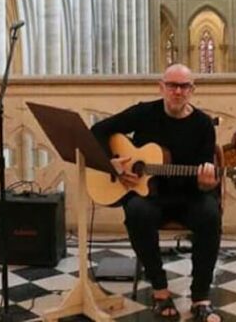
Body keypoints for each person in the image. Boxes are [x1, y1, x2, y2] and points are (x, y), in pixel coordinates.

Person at [91, 64, 222, 322]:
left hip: (188, 196)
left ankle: (200, 297)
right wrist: (111, 163)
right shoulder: (144, 112)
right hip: (150, 196)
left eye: (184, 86)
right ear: (161, 87)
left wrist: (208, 183)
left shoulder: (203, 124)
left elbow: (205, 180)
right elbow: (98, 130)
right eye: (171, 85)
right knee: (137, 211)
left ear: (192, 90)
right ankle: (160, 291)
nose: (177, 91)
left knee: (209, 213)